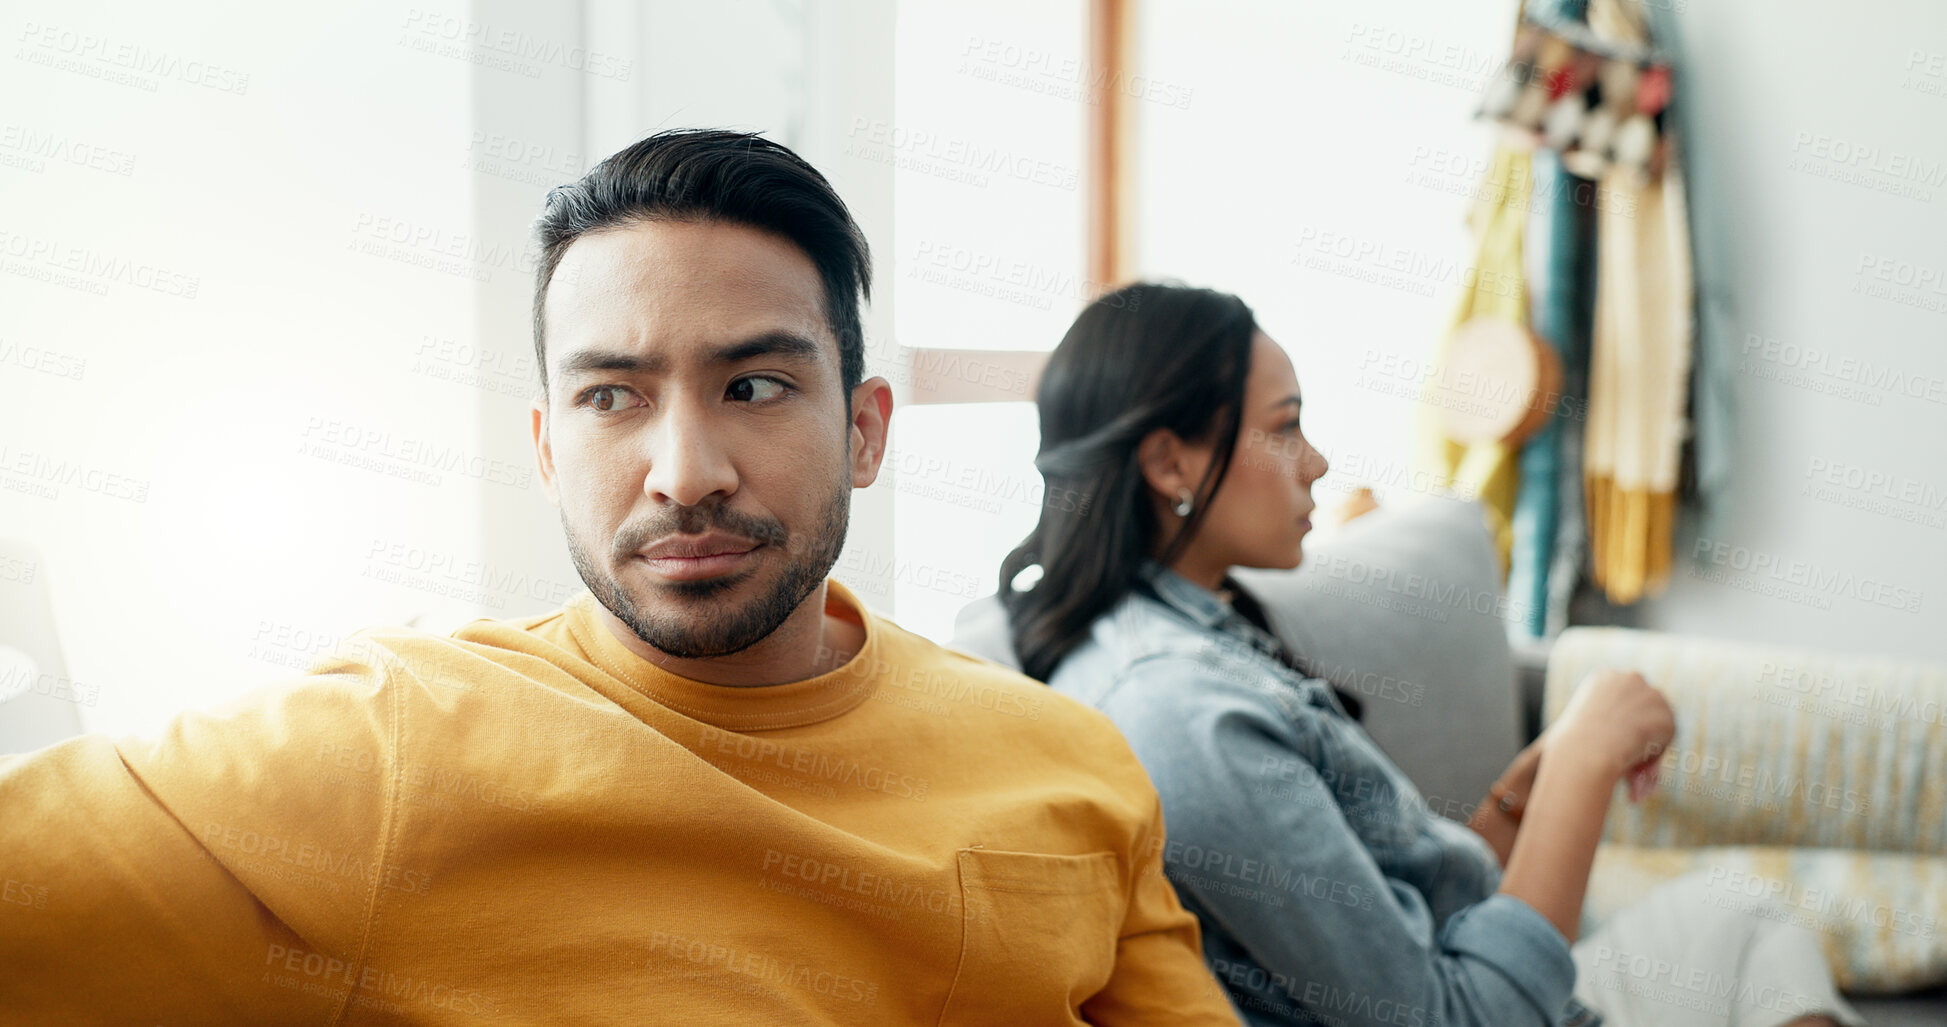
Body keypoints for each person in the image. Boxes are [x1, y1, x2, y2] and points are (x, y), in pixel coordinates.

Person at [0, 131, 1241, 1025]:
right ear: (548, 447)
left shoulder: (1072, 761)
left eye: (754, 385)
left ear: (865, 430)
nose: (685, 471)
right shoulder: (392, 747)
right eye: (612, 397)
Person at [1002, 281, 1863, 1027]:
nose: (1316, 460)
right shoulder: (1182, 714)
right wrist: (1587, 763)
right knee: (1750, 929)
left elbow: (1402, 902)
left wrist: (1537, 778)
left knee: (1742, 913)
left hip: (1492, 970)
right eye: (1285, 425)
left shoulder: (1194, 630)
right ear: (1168, 461)